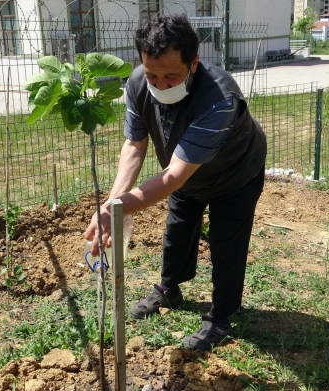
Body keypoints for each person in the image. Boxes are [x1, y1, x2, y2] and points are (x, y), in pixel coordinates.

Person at [83, 14, 267, 350]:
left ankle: (220, 318)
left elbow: (175, 175)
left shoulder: (219, 98)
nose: (160, 84)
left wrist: (119, 210)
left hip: (235, 174)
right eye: (153, 74)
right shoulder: (138, 84)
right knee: (178, 229)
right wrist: (113, 204)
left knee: (227, 242)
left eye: (171, 75)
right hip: (184, 173)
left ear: (194, 63)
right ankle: (169, 289)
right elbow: (135, 145)